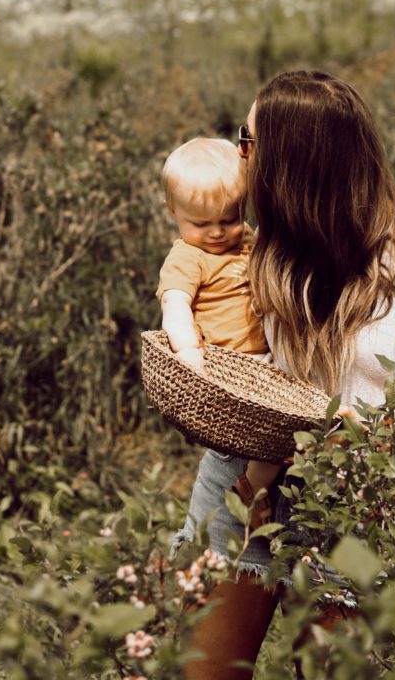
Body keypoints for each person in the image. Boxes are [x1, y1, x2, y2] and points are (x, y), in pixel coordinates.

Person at [173, 70, 395, 680]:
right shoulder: (267, 244)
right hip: (245, 479)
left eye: (248, 139)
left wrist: (373, 431)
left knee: (327, 672)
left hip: (357, 500)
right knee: (200, 670)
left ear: (292, 160)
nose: (240, 151)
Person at [157, 137, 283, 527]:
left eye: (229, 219)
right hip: (230, 366)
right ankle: (252, 492)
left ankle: (255, 490)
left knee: (289, 431)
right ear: (173, 211)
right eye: (201, 223)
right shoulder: (187, 257)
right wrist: (188, 350)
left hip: (270, 359)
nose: (217, 232)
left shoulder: (247, 241)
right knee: (274, 437)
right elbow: (175, 304)